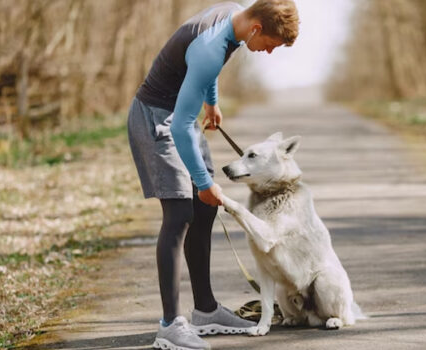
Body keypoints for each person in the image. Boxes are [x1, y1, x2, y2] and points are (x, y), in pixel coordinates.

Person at [127, 1, 299, 349]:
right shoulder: (211, 48)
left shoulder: (234, 16)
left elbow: (205, 72)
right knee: (179, 213)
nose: (267, 52)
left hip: (181, 115)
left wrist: (212, 101)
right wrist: (204, 184)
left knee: (205, 208)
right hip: (158, 120)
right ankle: (170, 325)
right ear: (255, 29)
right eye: (269, 44)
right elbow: (180, 125)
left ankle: (205, 311)